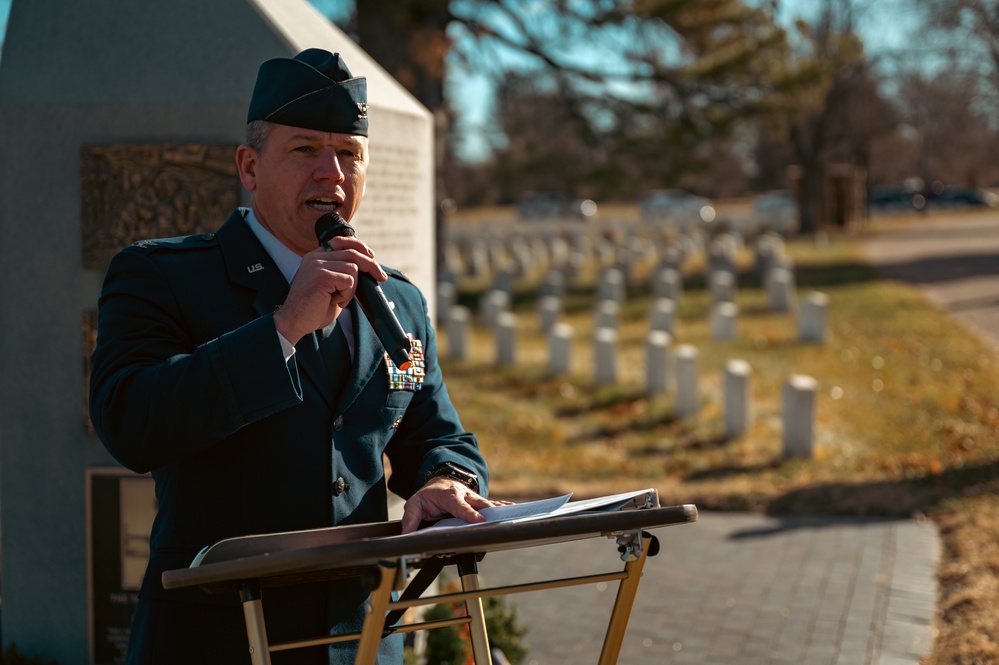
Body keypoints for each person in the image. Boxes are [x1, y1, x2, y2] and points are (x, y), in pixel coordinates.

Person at [89, 48, 498, 664]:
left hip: (359, 644)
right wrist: (283, 328)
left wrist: (446, 480)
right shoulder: (161, 276)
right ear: (249, 167)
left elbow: (434, 437)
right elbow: (130, 422)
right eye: (305, 150)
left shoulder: (398, 303)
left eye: (348, 154)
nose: (331, 174)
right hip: (217, 641)